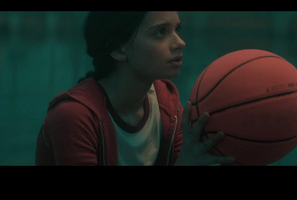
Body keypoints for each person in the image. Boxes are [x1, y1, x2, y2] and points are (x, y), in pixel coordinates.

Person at [35, 11, 236, 165]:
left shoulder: (167, 103)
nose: (180, 43)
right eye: (160, 32)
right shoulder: (75, 117)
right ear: (118, 49)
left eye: (177, 30)